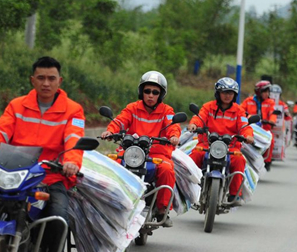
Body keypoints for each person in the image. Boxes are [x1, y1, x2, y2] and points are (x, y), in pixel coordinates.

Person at [0, 56, 84, 252]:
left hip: (50, 176)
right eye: (40, 78)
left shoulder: (73, 110)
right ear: (32, 80)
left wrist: (71, 161)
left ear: (59, 81)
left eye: (51, 78)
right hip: (13, 172)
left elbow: (74, 139)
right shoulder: (17, 105)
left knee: (59, 215)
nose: (46, 83)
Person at [100, 71, 181, 228]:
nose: (150, 95)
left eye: (155, 92)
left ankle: (162, 209)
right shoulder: (132, 108)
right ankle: (108, 202)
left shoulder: (167, 111)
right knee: (111, 164)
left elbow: (173, 126)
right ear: (141, 92)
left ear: (161, 94)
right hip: (131, 152)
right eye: (147, 91)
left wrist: (174, 136)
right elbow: (119, 121)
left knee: (167, 169)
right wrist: (110, 131)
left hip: (156, 154)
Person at [187, 77, 254, 206]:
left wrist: (248, 136)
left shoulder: (239, 111)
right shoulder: (208, 107)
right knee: (194, 156)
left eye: (230, 93)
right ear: (218, 93)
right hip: (207, 145)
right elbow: (199, 118)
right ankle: (190, 188)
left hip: (230, 148)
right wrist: (194, 125)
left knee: (240, 160)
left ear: (235, 95)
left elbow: (245, 126)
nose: (227, 96)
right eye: (224, 92)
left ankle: (235, 195)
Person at [241, 80, 277, 171]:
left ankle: (267, 161)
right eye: (265, 91)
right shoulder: (248, 101)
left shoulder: (270, 102)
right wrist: (248, 117)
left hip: (264, 129)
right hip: (250, 127)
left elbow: (273, 113)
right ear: (259, 92)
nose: (267, 93)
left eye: (268, 91)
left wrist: (272, 121)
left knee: (271, 140)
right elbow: (240, 111)